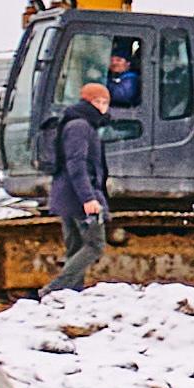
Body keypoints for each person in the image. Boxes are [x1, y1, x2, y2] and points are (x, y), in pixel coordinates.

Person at [42, 75, 117, 293]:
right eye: (98, 102)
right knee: (95, 245)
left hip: (68, 195)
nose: (103, 106)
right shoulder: (80, 126)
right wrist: (89, 198)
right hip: (79, 196)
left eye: (105, 102)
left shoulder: (79, 123)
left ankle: (71, 294)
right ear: (87, 102)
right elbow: (77, 164)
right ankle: (53, 290)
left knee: (75, 246)